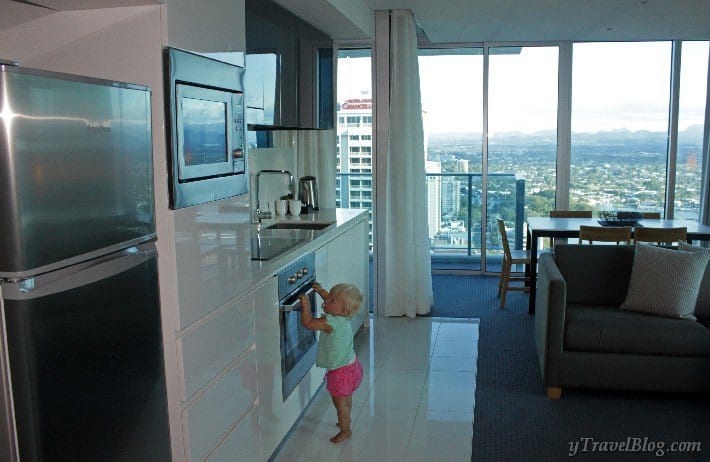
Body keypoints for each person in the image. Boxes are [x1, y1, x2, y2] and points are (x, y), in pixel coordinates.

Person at [299, 281, 363, 443]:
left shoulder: (330, 323)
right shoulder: (345, 316)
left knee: (339, 404)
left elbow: (308, 323)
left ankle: (345, 429)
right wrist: (321, 291)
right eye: (329, 298)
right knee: (346, 398)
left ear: (343, 309)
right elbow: (330, 298)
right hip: (353, 366)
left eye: (332, 301)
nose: (326, 301)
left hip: (340, 373)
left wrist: (305, 304)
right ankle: (346, 418)